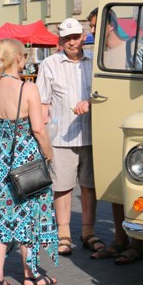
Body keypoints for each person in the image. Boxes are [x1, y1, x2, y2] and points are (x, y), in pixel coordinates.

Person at [0, 38, 58, 285]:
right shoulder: (28, 89)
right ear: (18, 58)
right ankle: (31, 276)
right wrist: (48, 155)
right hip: (27, 160)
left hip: (2, 159)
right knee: (29, 216)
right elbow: (38, 128)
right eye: (24, 56)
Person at [36, 17, 107, 257]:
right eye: (66, 38)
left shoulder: (95, 62)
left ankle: (88, 231)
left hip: (92, 135)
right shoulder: (49, 64)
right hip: (62, 138)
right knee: (62, 187)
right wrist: (41, 135)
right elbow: (42, 102)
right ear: (60, 40)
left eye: (75, 37)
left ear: (83, 37)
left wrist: (89, 102)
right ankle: (63, 232)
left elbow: (104, 95)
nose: (71, 42)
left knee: (89, 187)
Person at [86, 8, 142, 264]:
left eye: (95, 25)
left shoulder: (133, 49)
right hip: (109, 124)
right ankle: (120, 239)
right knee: (113, 184)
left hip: (132, 124)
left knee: (135, 183)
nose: (92, 31)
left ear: (110, 25)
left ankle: (138, 244)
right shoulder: (101, 56)